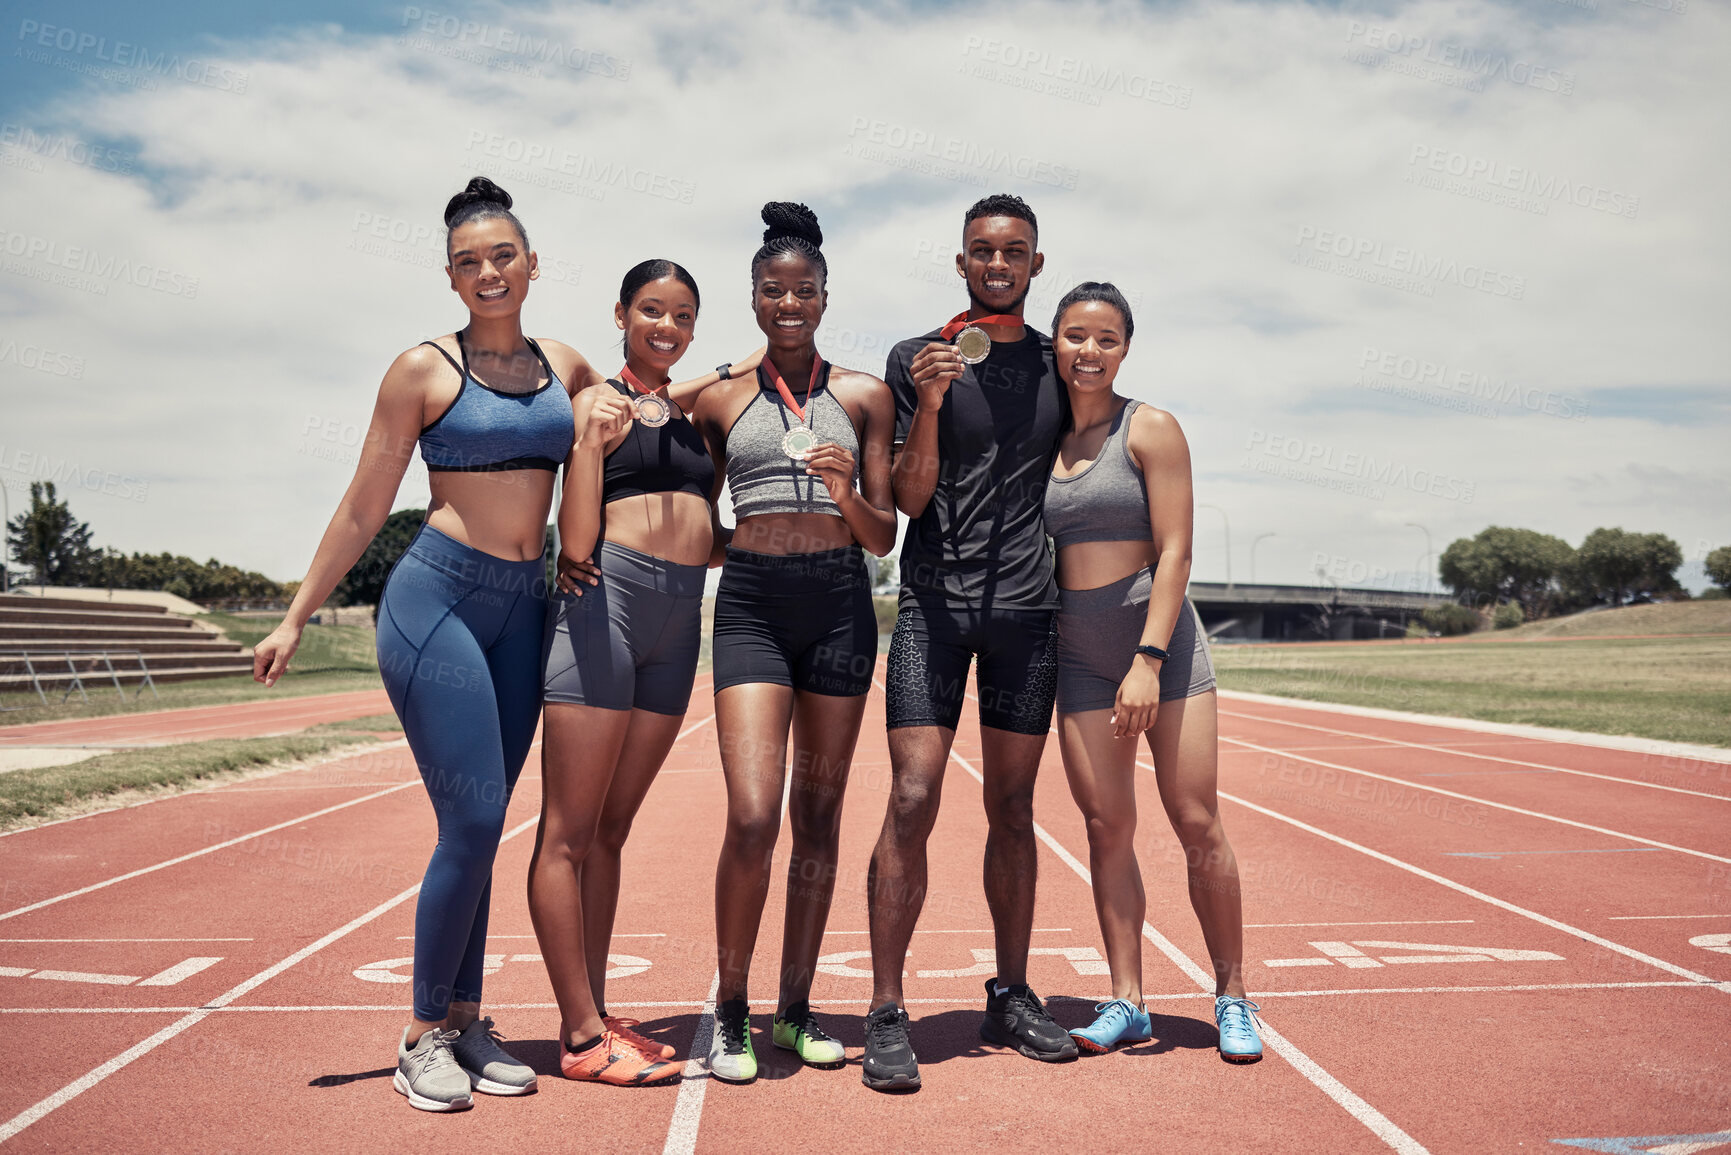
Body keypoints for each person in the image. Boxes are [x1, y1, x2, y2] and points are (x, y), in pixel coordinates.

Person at [253, 177, 588, 1111]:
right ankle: (418, 1034)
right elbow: (366, 502)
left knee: (487, 824)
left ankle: (468, 1019)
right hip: (437, 599)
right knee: (472, 822)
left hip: (526, 610)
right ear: (450, 275)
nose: (489, 271)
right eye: (469, 261)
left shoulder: (566, 364)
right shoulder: (421, 370)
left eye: (503, 255)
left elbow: (637, 405)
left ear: (531, 262)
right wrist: (295, 613)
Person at [863, 193, 1076, 1091]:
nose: (998, 263)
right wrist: (932, 400)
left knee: (1014, 809)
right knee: (912, 796)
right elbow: (908, 500)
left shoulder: (1063, 364)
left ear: (1035, 265)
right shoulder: (917, 358)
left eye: (1014, 252)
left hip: (1028, 611)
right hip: (933, 605)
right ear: (960, 262)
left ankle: (1014, 992)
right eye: (982, 251)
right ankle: (883, 1007)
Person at [530, 260, 760, 1085]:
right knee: (568, 829)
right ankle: (582, 1035)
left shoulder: (694, 419)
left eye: (683, 314)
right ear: (621, 313)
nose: (667, 325)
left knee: (613, 828)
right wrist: (591, 446)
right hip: (606, 602)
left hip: (679, 617)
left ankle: (594, 1007)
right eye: (652, 310)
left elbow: (713, 524)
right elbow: (578, 539)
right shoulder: (595, 405)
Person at [691, 202, 897, 1084]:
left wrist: (846, 491)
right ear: (753, 297)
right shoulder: (720, 398)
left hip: (840, 608)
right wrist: (757, 545)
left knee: (818, 817)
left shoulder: (862, 395)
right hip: (751, 609)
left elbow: (883, 532)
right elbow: (698, 524)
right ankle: (730, 1011)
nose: (788, 303)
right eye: (772, 290)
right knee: (751, 812)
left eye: (802, 291)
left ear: (823, 297)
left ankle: (795, 1007)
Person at [1042, 282, 1260, 1062]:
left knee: (1194, 817)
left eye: (1104, 338)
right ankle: (1127, 999)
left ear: (1125, 346)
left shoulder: (1152, 428)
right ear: (1055, 344)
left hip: (1157, 650)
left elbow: (1175, 551)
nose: (1088, 351)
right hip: (1077, 652)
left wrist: (1147, 658)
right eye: (1074, 336)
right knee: (1107, 826)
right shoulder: (1043, 440)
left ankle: (1232, 992)